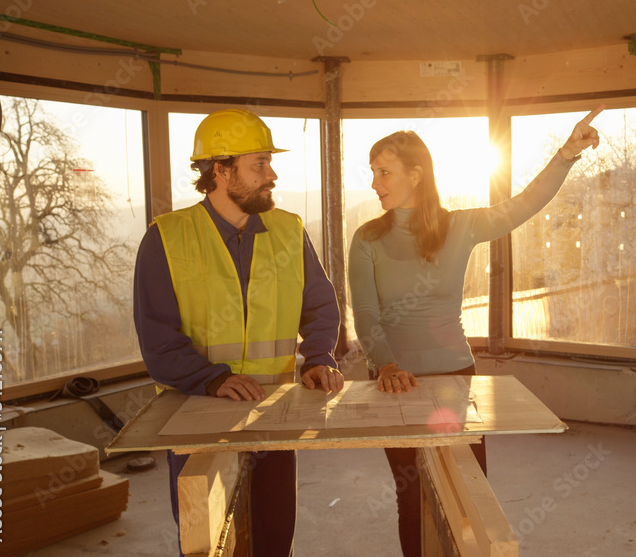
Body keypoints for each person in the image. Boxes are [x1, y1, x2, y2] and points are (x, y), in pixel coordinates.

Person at [347, 106, 604, 556]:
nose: (375, 183)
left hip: (454, 378)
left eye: (384, 172)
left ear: (417, 174)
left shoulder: (460, 226)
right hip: (393, 385)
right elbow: (366, 316)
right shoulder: (366, 238)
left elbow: (521, 205)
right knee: (412, 498)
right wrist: (385, 364)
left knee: (467, 495)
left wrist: (566, 154)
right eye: (372, 172)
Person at [132, 108, 343, 557]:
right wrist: (213, 377)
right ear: (221, 171)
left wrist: (320, 357)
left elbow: (320, 306)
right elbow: (157, 338)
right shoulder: (167, 238)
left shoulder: (289, 231)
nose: (272, 174)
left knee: (272, 535)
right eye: (259, 164)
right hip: (197, 415)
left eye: (269, 162)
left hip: (273, 414)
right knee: (206, 538)